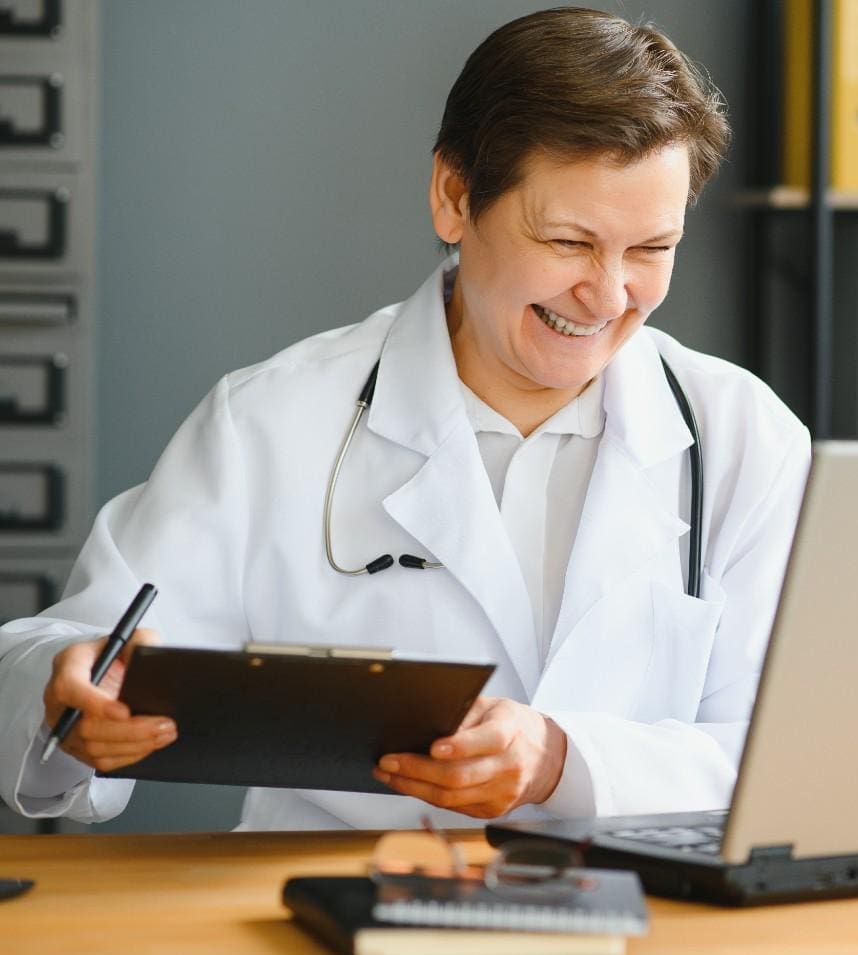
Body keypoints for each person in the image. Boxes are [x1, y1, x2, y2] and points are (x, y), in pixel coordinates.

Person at [0, 8, 810, 831]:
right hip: (328, 917)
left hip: (653, 925)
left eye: (649, 250)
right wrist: (62, 693)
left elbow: (796, 750)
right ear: (455, 198)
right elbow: (72, 654)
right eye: (568, 241)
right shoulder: (272, 423)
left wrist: (565, 760)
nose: (606, 296)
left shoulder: (744, 439)